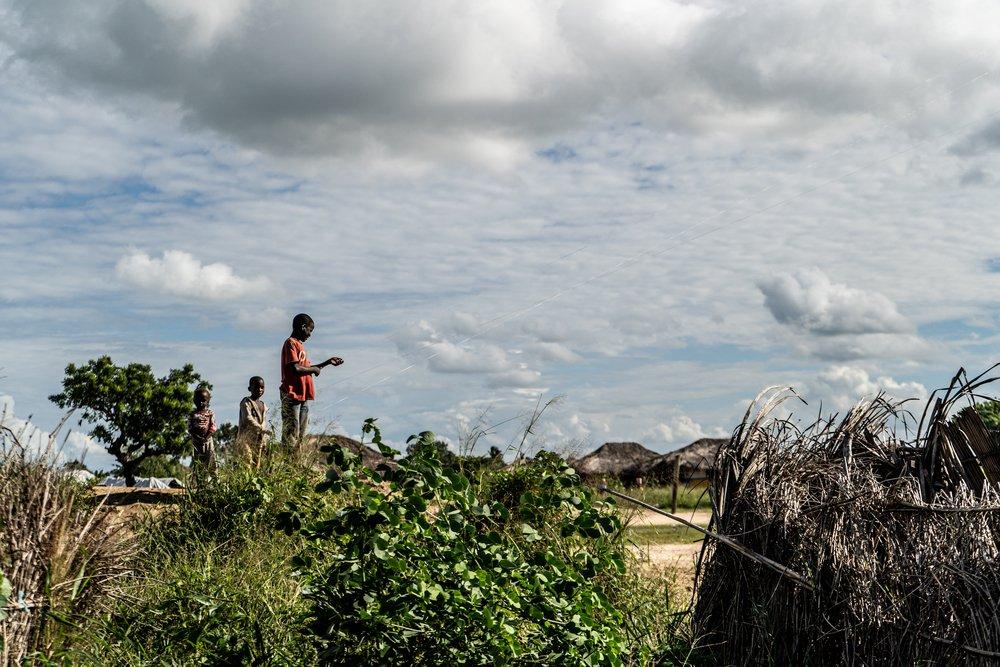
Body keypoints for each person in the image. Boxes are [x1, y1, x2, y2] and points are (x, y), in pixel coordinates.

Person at [280, 313, 343, 450]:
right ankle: (288, 462)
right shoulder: (291, 343)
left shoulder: (300, 346)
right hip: (292, 394)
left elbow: (307, 369)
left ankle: (296, 462)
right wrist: (314, 369)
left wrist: (327, 363)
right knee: (291, 432)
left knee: (301, 435)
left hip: (303, 396)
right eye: (310, 330)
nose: (310, 334)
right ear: (303, 327)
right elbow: (296, 369)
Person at [236, 376, 271, 467]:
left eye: (262, 387)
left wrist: (264, 432)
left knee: (257, 465)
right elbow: (248, 418)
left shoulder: (263, 405)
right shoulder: (246, 402)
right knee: (247, 461)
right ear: (249, 388)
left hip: (258, 439)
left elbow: (263, 421)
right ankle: (246, 480)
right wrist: (261, 429)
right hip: (245, 439)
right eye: (256, 387)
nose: (259, 389)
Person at [189, 387, 218, 475]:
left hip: (208, 441)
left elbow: (213, 427)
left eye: (204, 400)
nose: (201, 402)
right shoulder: (192, 414)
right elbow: (190, 428)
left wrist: (206, 437)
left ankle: (215, 481)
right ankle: (201, 483)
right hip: (196, 442)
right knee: (198, 462)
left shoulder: (210, 413)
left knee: (211, 460)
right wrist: (197, 437)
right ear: (194, 400)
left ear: (208, 401)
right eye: (198, 400)